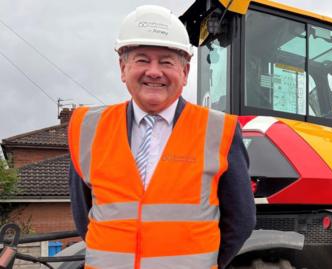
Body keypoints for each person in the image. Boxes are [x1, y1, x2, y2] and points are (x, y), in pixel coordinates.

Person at [68, 5, 255, 269]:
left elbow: (241, 220)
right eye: (142, 59)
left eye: (166, 61)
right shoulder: (88, 128)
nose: (154, 71)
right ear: (123, 68)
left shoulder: (219, 130)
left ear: (185, 72)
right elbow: (84, 216)